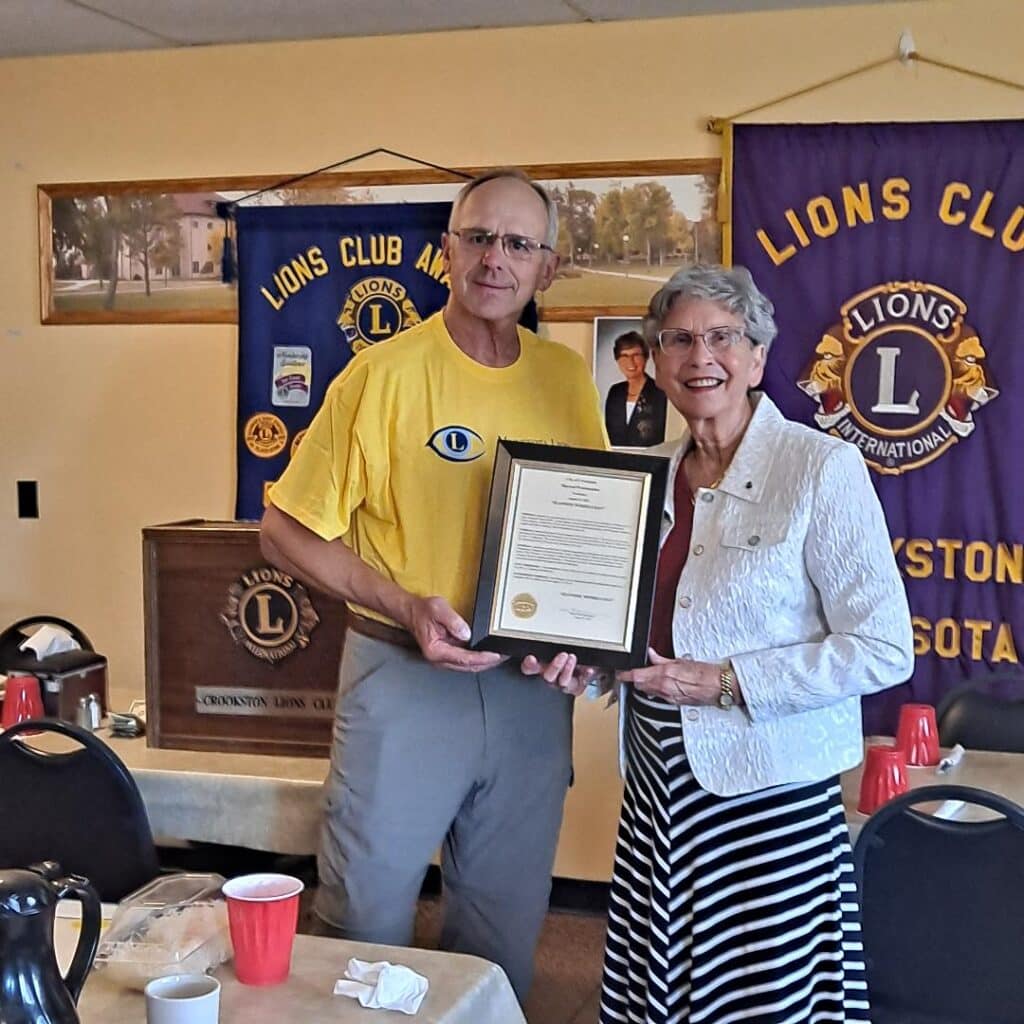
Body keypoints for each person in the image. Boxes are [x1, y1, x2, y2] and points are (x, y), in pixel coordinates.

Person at [259, 168, 607, 1001]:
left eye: (519, 243)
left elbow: (588, 534)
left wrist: (582, 640)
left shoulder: (566, 380)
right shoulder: (379, 376)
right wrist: (404, 604)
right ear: (445, 249)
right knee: (364, 931)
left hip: (528, 698)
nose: (496, 259)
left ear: (547, 268)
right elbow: (284, 529)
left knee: (502, 935)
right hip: (402, 683)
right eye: (479, 237)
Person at [598, 265, 914, 1024]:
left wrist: (727, 683)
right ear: (657, 356)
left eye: (721, 337)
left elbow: (881, 648)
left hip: (769, 795)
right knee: (662, 992)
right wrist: (577, 665)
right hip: (656, 786)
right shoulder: (641, 477)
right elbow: (626, 638)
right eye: (678, 339)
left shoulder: (819, 468)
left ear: (758, 357)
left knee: (764, 997)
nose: (699, 355)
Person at [604, 330, 668, 446]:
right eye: (624, 356)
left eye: (636, 355)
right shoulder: (615, 392)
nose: (630, 362)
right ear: (617, 360)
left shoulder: (660, 392)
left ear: (646, 357)